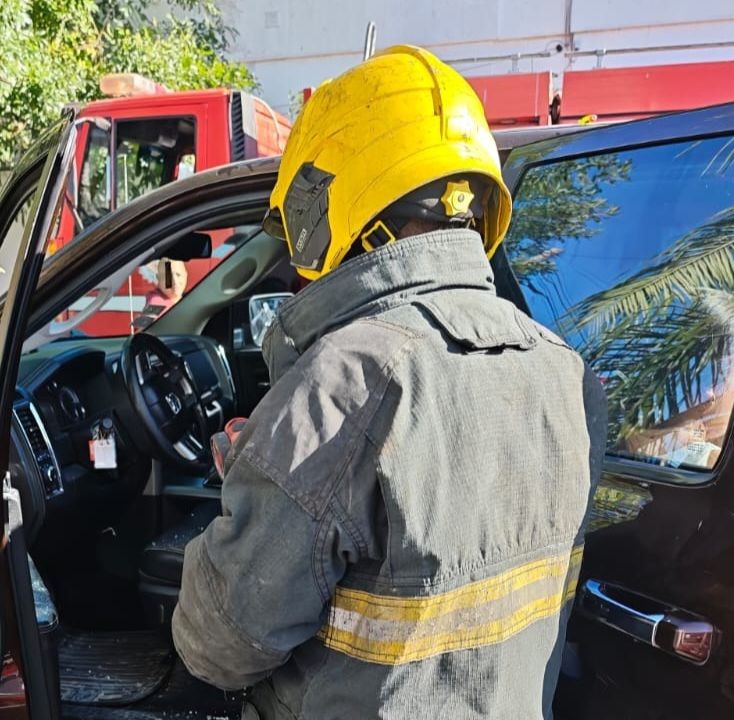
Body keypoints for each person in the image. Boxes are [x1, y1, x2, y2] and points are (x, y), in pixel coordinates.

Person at [172, 46, 606, 719]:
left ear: (341, 198)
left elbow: (219, 645)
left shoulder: (345, 385)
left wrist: (250, 487)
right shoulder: (567, 375)